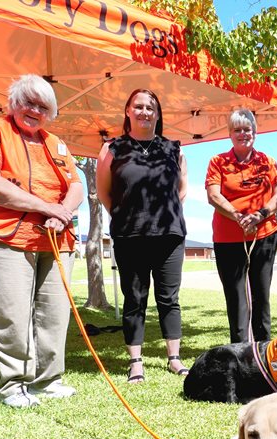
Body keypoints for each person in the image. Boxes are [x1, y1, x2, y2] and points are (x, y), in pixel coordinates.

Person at [0, 74, 83, 408]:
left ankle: (49, 379)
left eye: (43, 106)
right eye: (28, 102)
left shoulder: (56, 142)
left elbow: (76, 184)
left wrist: (62, 213)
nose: (35, 110)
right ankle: (14, 383)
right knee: (11, 314)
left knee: (55, 313)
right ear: (13, 102)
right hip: (2, 235)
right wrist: (47, 207)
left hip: (55, 239)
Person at [96, 88, 189, 382]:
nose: (144, 112)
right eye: (138, 106)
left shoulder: (174, 148)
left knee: (169, 298)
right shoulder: (113, 148)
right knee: (134, 298)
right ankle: (136, 362)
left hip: (170, 235)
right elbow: (104, 192)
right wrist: (126, 215)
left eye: (151, 107)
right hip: (129, 235)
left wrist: (166, 214)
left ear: (158, 114)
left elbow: (182, 189)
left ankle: (174, 358)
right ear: (128, 111)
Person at [205, 109, 277, 343]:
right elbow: (213, 196)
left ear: (255, 132)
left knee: (261, 296)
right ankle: (239, 351)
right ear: (229, 134)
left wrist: (259, 215)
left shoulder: (268, 162)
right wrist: (238, 216)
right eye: (237, 130)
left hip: (264, 236)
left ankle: (263, 351)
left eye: (247, 129)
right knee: (236, 299)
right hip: (228, 239)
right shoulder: (218, 162)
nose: (242, 134)